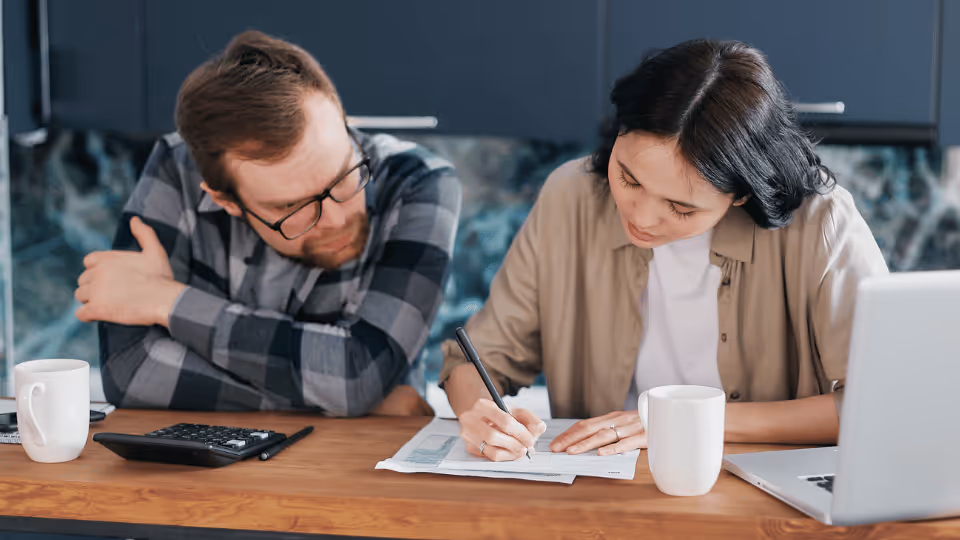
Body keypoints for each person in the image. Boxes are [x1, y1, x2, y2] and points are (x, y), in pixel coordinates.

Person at [441, 39, 888, 461]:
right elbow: (477, 358)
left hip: (761, 501)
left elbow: (884, 405)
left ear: (740, 195)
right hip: (602, 487)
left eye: (679, 207)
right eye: (629, 178)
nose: (641, 216)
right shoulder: (571, 196)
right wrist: (478, 414)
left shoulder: (821, 224)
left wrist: (689, 423)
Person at [74, 31, 461, 416]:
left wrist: (168, 301)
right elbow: (133, 373)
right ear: (225, 200)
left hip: (361, 467)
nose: (336, 219)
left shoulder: (419, 182)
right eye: (293, 206)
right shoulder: (176, 171)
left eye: (344, 177)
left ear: (344, 123)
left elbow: (358, 374)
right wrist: (340, 403)